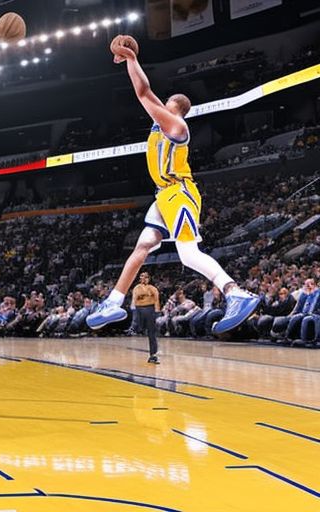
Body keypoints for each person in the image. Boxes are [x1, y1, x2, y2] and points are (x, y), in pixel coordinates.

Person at [86, 38, 260, 335]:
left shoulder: (178, 127)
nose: (158, 106)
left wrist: (130, 58)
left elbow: (143, 92)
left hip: (179, 192)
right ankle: (113, 301)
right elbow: (146, 93)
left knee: (188, 255)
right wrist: (130, 62)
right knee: (141, 245)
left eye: (164, 104)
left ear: (174, 107)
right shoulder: (160, 126)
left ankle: (236, 293)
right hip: (163, 196)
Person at [131, 272, 161, 363]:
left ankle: (153, 355)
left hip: (150, 309)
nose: (144, 278)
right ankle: (134, 327)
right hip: (139, 309)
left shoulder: (153, 288)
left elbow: (156, 300)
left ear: (149, 278)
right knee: (139, 328)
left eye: (146, 277)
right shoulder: (137, 288)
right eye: (142, 276)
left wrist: (157, 312)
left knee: (152, 333)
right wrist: (134, 309)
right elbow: (134, 299)